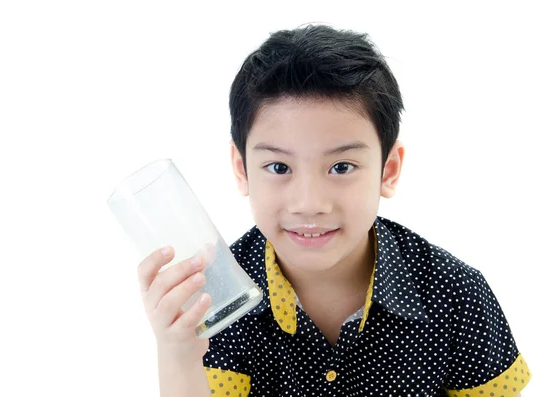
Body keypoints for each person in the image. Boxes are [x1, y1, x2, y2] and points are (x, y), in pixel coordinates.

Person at [137, 24, 531, 397]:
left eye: (341, 167)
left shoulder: (455, 293)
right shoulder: (216, 302)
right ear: (242, 169)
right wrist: (178, 353)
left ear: (388, 170)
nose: (309, 203)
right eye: (279, 167)